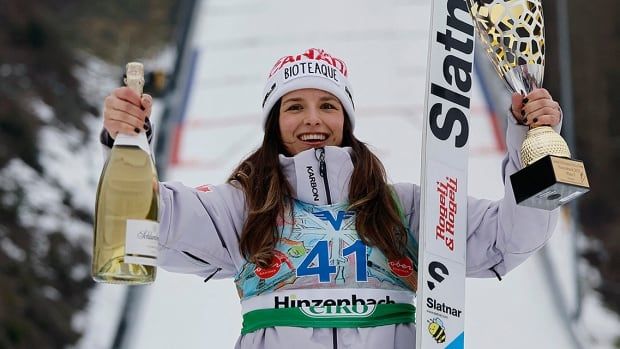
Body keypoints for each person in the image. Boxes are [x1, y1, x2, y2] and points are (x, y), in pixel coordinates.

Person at [100, 47, 562, 348]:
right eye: (294, 107)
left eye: (327, 105)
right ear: (273, 122)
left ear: (347, 117)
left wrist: (533, 145)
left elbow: (510, 239)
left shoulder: (405, 210)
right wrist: (127, 141)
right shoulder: (242, 209)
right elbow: (144, 226)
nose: (312, 120)